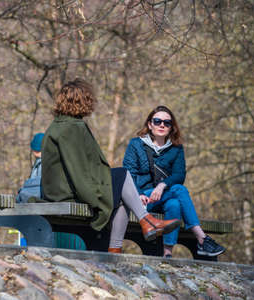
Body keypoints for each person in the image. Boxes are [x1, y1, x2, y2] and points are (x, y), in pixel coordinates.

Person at [41, 78, 181, 253]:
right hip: (67, 193)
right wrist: (96, 197)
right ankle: (146, 221)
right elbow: (77, 170)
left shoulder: (60, 125)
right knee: (122, 175)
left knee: (123, 194)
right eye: (88, 99)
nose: (91, 102)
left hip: (62, 190)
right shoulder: (71, 128)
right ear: (82, 101)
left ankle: (116, 249)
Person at [123, 105, 226, 257]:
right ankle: (202, 238)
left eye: (167, 122)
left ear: (172, 128)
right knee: (180, 190)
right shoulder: (136, 144)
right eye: (157, 121)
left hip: (163, 197)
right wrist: (137, 194)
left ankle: (167, 254)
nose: (162, 125)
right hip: (141, 199)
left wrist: (161, 186)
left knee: (174, 204)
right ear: (150, 124)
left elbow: (179, 175)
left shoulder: (176, 148)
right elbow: (128, 173)